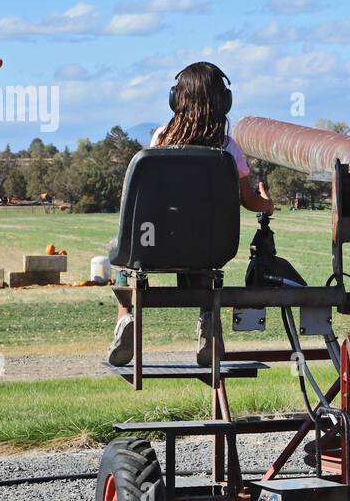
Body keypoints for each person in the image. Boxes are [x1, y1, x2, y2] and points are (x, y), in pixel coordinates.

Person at [107, 62, 273, 366]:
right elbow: (249, 201)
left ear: (175, 100)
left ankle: (126, 317)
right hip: (209, 248)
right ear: (224, 103)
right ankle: (208, 323)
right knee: (203, 266)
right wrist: (267, 203)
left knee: (121, 260)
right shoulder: (228, 149)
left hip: (153, 245)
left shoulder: (160, 140)